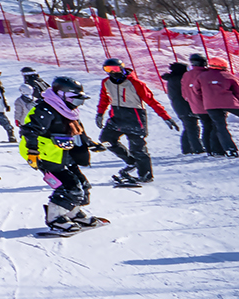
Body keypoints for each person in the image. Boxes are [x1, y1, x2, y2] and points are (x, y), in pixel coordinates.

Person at [21, 77, 102, 234]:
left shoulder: (67, 109)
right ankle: (55, 218)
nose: (77, 104)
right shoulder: (45, 109)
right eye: (76, 100)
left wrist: (91, 143)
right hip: (44, 154)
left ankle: (73, 213)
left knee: (82, 185)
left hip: (63, 152)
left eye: (80, 101)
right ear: (61, 94)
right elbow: (29, 130)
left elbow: (77, 129)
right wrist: (32, 152)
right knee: (68, 187)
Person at [93, 58, 174, 187]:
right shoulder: (106, 82)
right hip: (116, 117)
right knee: (106, 140)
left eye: (115, 69)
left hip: (134, 118)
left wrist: (166, 117)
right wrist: (100, 113)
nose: (112, 72)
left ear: (122, 68)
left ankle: (145, 175)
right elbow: (104, 98)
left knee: (138, 148)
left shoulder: (136, 83)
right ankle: (131, 161)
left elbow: (151, 101)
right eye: (108, 69)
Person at [184, 54, 238, 157]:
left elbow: (196, 90)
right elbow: (237, 90)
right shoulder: (227, 75)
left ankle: (229, 148)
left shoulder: (201, 76)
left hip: (210, 105)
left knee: (220, 126)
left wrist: (205, 98)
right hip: (229, 102)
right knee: (216, 126)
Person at [165, 61, 203, 155]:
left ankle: (187, 148)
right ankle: (196, 148)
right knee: (192, 127)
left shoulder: (172, 79)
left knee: (188, 127)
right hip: (185, 105)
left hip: (179, 106)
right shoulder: (180, 79)